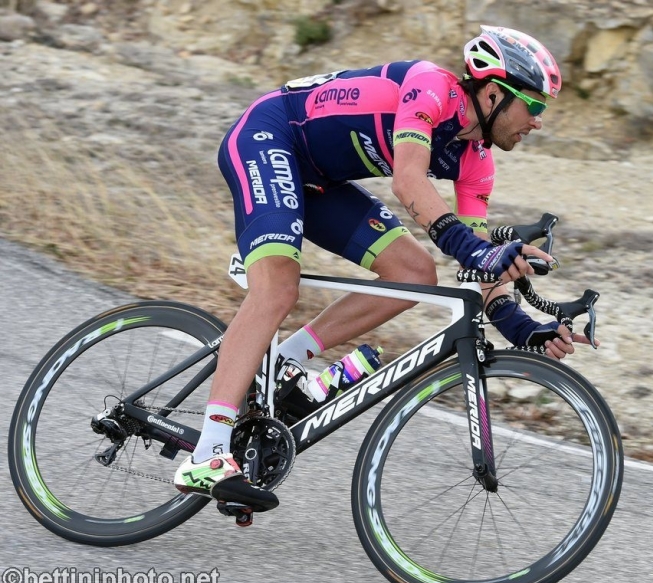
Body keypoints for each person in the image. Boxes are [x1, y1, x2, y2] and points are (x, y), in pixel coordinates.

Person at [174, 25, 596, 513]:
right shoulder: (431, 87)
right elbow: (408, 179)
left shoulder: (477, 162)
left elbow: (479, 261)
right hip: (270, 137)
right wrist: (475, 251)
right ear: (494, 93)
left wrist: (522, 328)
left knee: (416, 274)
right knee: (277, 289)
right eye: (534, 105)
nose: (537, 122)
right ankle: (206, 455)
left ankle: (284, 360)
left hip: (321, 181)